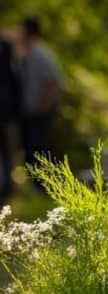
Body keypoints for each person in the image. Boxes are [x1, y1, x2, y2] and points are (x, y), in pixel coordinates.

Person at [18, 17, 61, 173]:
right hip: (33, 113)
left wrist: (42, 110)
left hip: (40, 113)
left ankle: (44, 186)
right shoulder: (30, 54)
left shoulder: (41, 55)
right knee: (32, 150)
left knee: (38, 151)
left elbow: (50, 83)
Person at [0, 34, 20, 199]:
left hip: (7, 113)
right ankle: (7, 188)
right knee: (7, 153)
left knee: (6, 153)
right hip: (8, 113)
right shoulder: (10, 71)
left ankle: (6, 188)